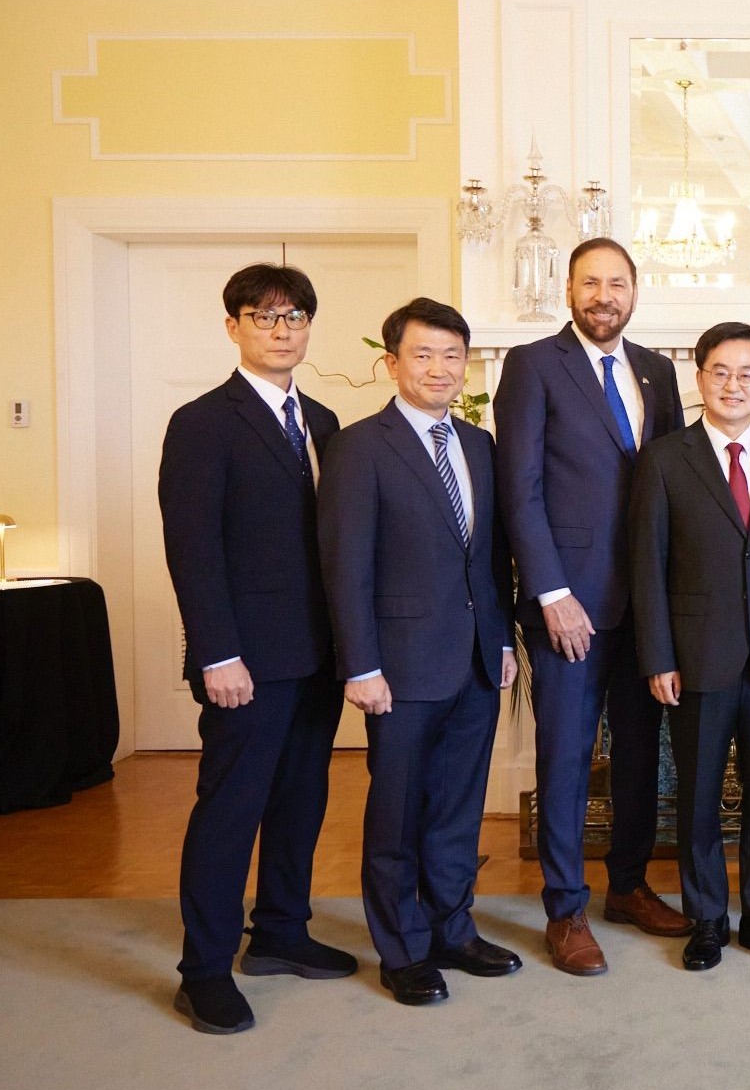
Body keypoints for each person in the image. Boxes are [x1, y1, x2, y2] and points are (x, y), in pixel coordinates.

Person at [159, 262, 351, 1035]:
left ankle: (278, 931)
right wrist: (216, 654)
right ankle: (202, 968)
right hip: (243, 661)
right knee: (230, 809)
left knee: (302, 802)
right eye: (265, 317)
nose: (283, 330)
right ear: (233, 325)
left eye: (296, 316)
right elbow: (192, 548)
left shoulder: (327, 422)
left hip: (319, 656)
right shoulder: (203, 422)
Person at [495, 238, 690, 977]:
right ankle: (565, 906)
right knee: (567, 756)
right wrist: (550, 592)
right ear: (568, 290)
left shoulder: (658, 370)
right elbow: (520, 486)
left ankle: (628, 885)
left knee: (642, 757)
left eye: (616, 283)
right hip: (567, 605)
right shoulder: (532, 365)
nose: (603, 295)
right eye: (589, 283)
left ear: (634, 291)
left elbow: (673, 484)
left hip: (645, 605)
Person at [318, 298, 519, 1006]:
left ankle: (451, 929)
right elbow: (346, 564)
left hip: (473, 660)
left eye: (452, 355)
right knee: (399, 810)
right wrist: (360, 664)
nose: (439, 368)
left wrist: (500, 639)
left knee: (458, 808)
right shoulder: (358, 446)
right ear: (392, 363)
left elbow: (491, 557)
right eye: (424, 355)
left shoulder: (479, 444)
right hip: (397, 664)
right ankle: (401, 946)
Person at [630, 322, 750, 972]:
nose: (733, 384)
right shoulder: (662, 458)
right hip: (695, 658)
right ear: (699, 376)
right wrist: (657, 655)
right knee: (699, 794)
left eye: (746, 373)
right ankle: (705, 917)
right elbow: (647, 565)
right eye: (719, 371)